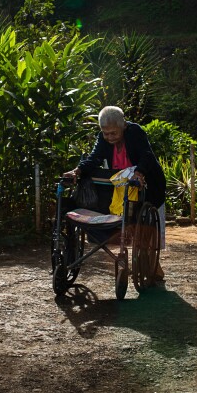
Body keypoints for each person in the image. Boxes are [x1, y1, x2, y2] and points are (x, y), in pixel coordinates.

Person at [64, 106, 167, 281]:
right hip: (121, 185)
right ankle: (133, 259)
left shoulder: (135, 132)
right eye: (106, 133)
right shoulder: (103, 139)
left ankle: (152, 263)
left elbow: (146, 155)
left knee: (146, 223)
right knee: (126, 218)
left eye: (114, 133)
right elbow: (95, 157)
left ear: (124, 126)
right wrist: (77, 171)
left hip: (148, 182)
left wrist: (139, 173)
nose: (110, 137)